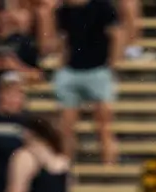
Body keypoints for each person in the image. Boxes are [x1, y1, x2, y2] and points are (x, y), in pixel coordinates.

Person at [51, 0, 119, 166]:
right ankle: (65, 169)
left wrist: (113, 62)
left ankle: (109, 168)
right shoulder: (63, 10)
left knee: (104, 126)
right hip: (71, 70)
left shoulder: (102, 6)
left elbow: (116, 34)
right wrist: (61, 63)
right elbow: (62, 38)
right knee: (66, 126)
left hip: (98, 69)